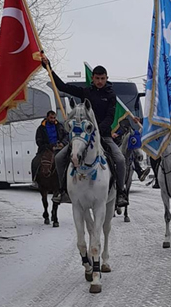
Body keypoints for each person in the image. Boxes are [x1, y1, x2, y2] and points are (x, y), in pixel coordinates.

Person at [41, 57, 128, 208]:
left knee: (120, 159)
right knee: (60, 158)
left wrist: (97, 131)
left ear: (106, 78)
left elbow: (110, 117)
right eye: (97, 78)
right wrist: (49, 69)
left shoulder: (111, 96)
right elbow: (62, 87)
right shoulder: (86, 92)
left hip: (104, 136)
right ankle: (62, 190)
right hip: (82, 137)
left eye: (102, 78)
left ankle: (120, 192)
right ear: (92, 79)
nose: (100, 81)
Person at [32, 110, 67, 182]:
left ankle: (65, 181)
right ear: (47, 117)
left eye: (54, 118)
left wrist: (62, 143)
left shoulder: (59, 126)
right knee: (35, 161)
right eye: (51, 118)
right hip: (46, 150)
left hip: (59, 149)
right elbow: (38, 141)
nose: (53, 120)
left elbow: (66, 135)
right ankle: (35, 180)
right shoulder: (41, 128)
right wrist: (49, 146)